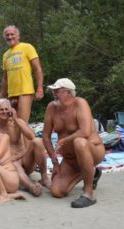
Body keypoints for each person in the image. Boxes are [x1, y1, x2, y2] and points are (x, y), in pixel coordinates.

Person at [41, 78, 106, 209]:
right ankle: (90, 173)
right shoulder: (51, 107)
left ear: (69, 93)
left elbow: (85, 131)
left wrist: (64, 140)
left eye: (57, 91)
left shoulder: (80, 103)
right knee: (56, 191)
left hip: (92, 150)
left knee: (80, 142)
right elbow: (45, 136)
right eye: (53, 91)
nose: (54, 94)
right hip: (70, 159)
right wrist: (54, 162)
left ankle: (88, 193)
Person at [0, 98, 49, 196]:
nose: (4, 112)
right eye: (1, 110)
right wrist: (12, 158)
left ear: (11, 110)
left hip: (25, 160)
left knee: (37, 141)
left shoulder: (17, 122)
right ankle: (31, 186)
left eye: (6, 109)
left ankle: (44, 177)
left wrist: (16, 120)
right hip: (9, 164)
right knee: (14, 164)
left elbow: (31, 136)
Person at [0, 25, 44, 123]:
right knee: (11, 124)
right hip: (11, 94)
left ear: (18, 35)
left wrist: (40, 88)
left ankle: (26, 138)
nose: (10, 37)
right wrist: (2, 95)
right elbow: (5, 78)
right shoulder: (5, 55)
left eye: (12, 34)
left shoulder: (27, 47)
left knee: (21, 123)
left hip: (25, 91)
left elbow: (37, 68)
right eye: (7, 35)